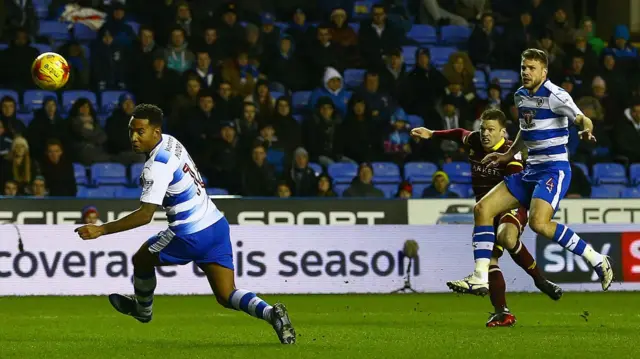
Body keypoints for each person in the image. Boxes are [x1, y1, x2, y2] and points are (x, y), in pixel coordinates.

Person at [74, 104, 295, 344]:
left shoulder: (155, 167)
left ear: (156, 132)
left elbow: (145, 215)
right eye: (131, 131)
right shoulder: (171, 141)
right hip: (216, 225)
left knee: (140, 259)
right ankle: (271, 313)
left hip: (190, 234)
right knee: (226, 293)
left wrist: (102, 229)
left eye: (140, 132)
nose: (134, 138)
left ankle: (143, 311)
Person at [445, 49, 613, 296]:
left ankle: (596, 258)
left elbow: (582, 118)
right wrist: (507, 155)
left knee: (538, 223)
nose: (525, 72)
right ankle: (480, 277)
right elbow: (526, 130)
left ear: (544, 72)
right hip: (530, 170)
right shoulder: (520, 96)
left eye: (531, 68)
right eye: (523, 67)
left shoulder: (556, 95)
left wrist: (586, 128)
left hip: (553, 170)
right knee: (482, 209)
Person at [412, 108, 562, 327]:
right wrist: (432, 133)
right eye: (483, 129)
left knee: (507, 238)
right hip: (485, 212)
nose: (485, 134)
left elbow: (516, 188)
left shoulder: (511, 154)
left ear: (503, 133)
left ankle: (540, 281)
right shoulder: (474, 141)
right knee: (490, 260)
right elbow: (458, 133)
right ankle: (502, 312)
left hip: (510, 207)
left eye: (491, 130)